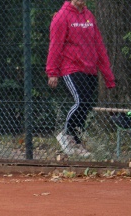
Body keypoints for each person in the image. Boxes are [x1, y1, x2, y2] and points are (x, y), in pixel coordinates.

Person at [46, 0, 115, 158]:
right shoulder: (61, 17)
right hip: (70, 68)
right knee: (81, 101)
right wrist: (52, 71)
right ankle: (66, 134)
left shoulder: (89, 16)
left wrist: (108, 76)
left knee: (86, 105)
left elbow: (99, 46)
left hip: (89, 69)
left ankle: (76, 143)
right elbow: (55, 45)